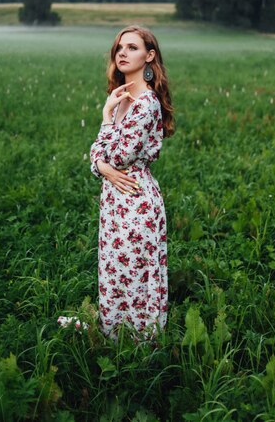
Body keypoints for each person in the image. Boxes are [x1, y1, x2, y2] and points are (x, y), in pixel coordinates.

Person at [90, 25, 175, 341]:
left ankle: (142, 346)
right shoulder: (118, 99)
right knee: (113, 271)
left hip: (136, 198)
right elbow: (100, 160)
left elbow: (119, 157)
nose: (122, 53)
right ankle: (114, 338)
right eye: (119, 48)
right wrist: (102, 164)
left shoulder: (146, 103)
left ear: (149, 56)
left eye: (132, 47)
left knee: (136, 273)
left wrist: (103, 146)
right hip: (113, 198)